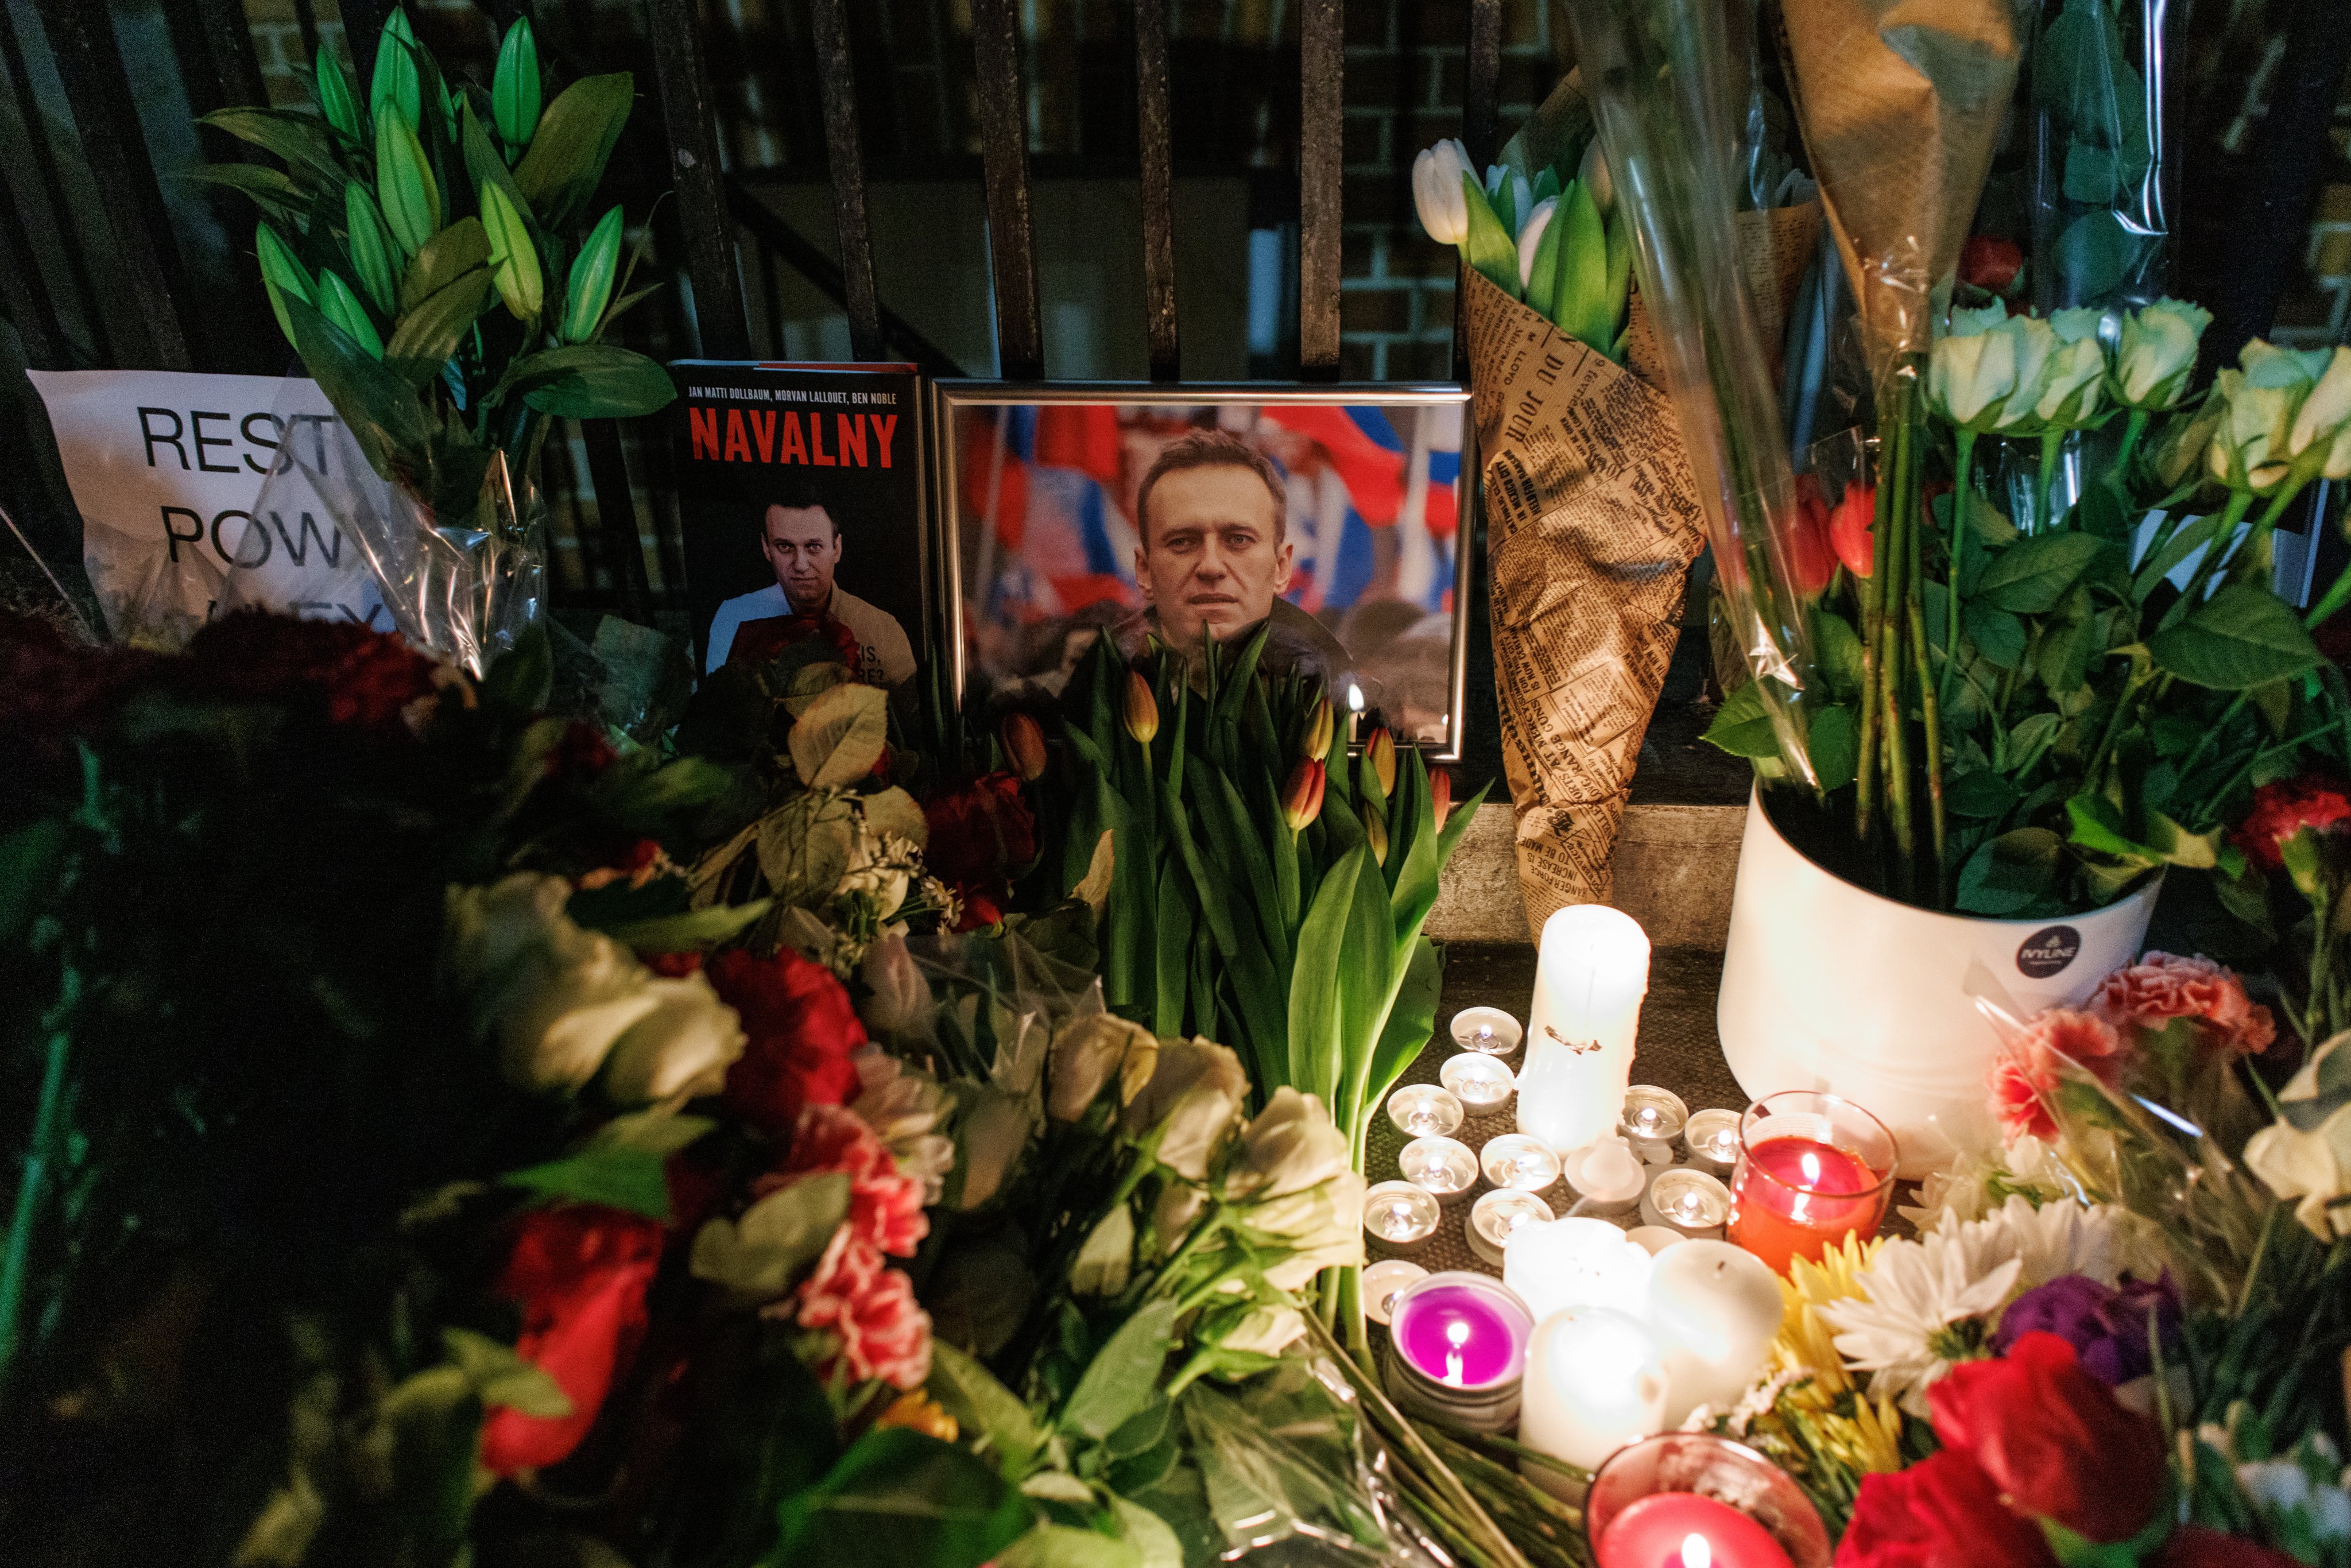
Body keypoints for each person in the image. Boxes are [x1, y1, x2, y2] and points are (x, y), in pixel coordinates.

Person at [1122, 428, 1353, 687]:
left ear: (1282, 568)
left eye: (1238, 540)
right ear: (1143, 570)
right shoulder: (1092, 685)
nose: (1211, 566)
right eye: (1182, 542)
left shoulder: (1332, 696)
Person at [706, 491, 916, 686]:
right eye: (785, 547)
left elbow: (907, 718)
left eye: (813, 547)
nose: (801, 565)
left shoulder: (882, 629)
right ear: (766, 548)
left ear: (837, 548)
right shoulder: (733, 619)